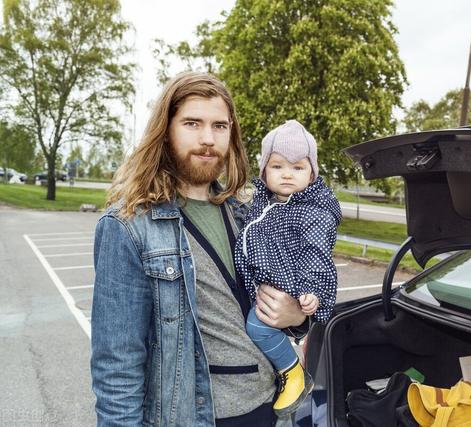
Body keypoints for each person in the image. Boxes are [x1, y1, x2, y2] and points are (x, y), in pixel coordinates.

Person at [90, 72, 307, 427]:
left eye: (220, 126)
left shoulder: (250, 212)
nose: (208, 139)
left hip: (272, 409)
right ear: (167, 130)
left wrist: (298, 315)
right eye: (193, 123)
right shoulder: (128, 226)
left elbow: (290, 302)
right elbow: (117, 366)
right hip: (197, 416)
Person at [234, 120, 342, 417]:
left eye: (297, 168)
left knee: (258, 326)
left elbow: (317, 255)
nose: (287, 175)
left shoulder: (313, 213)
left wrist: (313, 293)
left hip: (287, 288)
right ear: (264, 171)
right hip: (265, 283)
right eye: (278, 166)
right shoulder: (262, 202)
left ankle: (291, 371)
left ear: (312, 173)